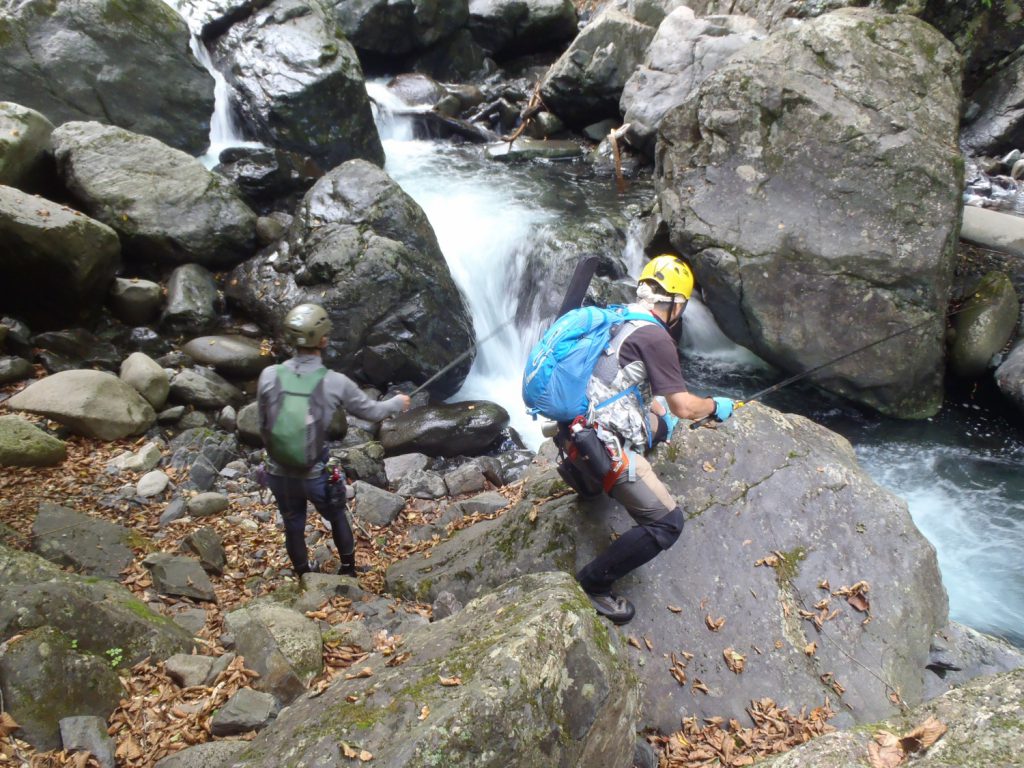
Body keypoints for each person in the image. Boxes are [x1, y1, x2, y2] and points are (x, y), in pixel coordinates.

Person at [561, 254, 735, 624]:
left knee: (661, 424)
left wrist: (662, 418)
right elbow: (685, 407)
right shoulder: (657, 338)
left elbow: (626, 382)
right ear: (673, 302)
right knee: (667, 523)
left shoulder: (618, 315)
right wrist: (715, 406)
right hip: (603, 444)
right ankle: (593, 584)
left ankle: (584, 476)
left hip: (572, 425)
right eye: (683, 305)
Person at [257, 303, 410, 576]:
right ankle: (348, 569)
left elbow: (262, 424)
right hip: (314, 473)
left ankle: (303, 573)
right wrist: (397, 402)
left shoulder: (268, 376)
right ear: (324, 339)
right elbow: (372, 411)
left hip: (278, 472)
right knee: (336, 514)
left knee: (293, 522)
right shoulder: (334, 381)